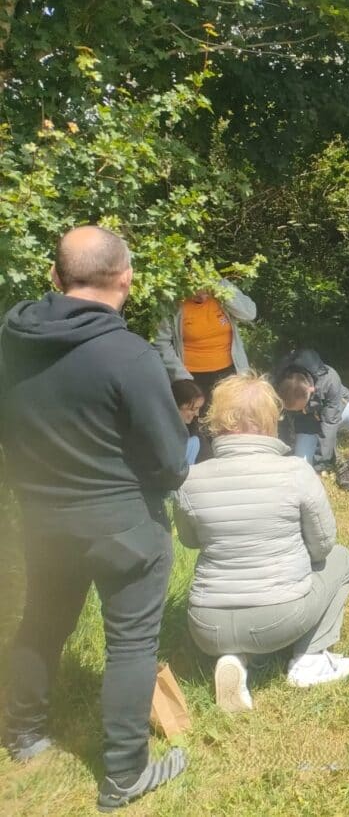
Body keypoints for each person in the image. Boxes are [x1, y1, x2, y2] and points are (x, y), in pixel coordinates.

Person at [0, 226, 189, 811]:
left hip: (41, 518)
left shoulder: (10, 342)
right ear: (126, 279)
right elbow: (169, 460)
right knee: (130, 643)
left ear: (55, 278)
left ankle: (23, 733)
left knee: (41, 622)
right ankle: (124, 775)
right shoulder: (129, 354)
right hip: (122, 527)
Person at [174, 372, 349, 712]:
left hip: (206, 625)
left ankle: (237, 657)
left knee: (239, 625)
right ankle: (310, 658)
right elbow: (323, 545)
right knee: (342, 559)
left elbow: (188, 541)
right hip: (279, 619)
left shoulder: (191, 478)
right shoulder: (296, 472)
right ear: (271, 419)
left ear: (217, 420)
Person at [273, 348, 349, 491]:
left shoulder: (330, 379)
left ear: (311, 390)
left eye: (302, 407)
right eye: (296, 410)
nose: (302, 410)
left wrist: (321, 463)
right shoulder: (277, 383)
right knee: (302, 473)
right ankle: (333, 457)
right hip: (307, 424)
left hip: (337, 411)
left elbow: (329, 423)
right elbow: (277, 422)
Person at [153, 279, 256, 400]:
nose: (203, 297)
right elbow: (160, 342)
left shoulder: (221, 291)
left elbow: (250, 314)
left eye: (206, 292)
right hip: (192, 377)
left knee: (231, 416)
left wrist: (222, 290)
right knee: (197, 416)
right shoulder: (172, 302)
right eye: (197, 293)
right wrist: (180, 376)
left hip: (231, 371)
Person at [171, 378, 205, 466]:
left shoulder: (194, 434)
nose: (197, 414)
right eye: (192, 409)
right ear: (176, 405)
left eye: (198, 409)